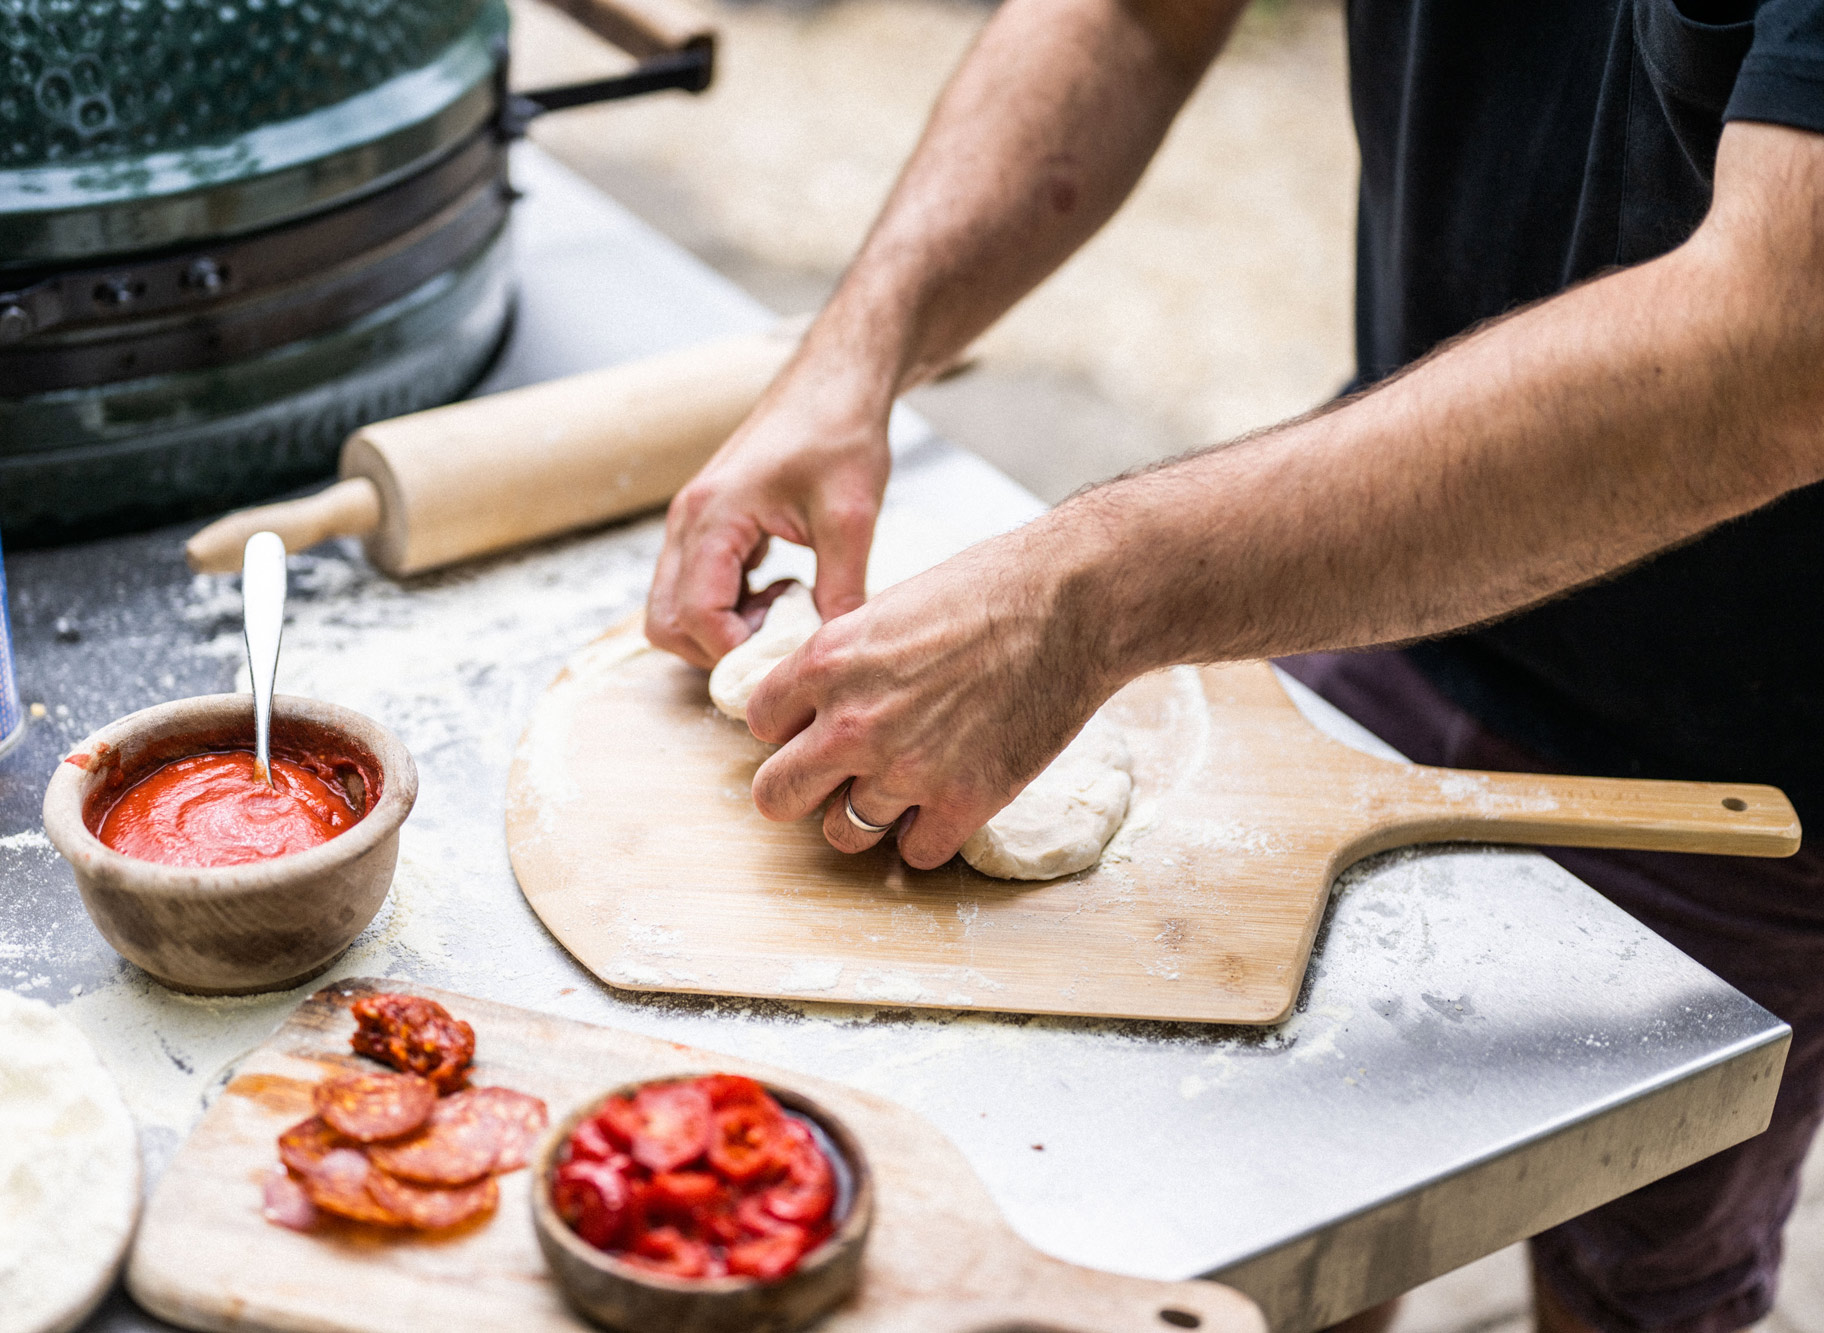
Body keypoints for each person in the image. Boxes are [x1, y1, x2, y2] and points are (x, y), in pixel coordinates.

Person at [644, 1, 1824, 1329]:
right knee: (1281, 1226)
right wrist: (852, 360)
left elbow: (1785, 338)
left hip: (1755, 726)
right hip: (1373, 556)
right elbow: (1138, 19)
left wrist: (1073, 602)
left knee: (1640, 1269)